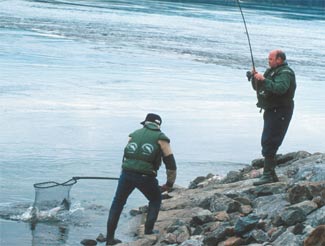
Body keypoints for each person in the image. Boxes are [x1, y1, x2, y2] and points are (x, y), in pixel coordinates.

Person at [106, 113, 177, 245]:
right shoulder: (161, 138)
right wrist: (169, 184)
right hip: (145, 177)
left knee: (118, 203)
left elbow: (126, 157)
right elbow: (171, 164)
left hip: (126, 174)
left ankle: (109, 239)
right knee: (155, 199)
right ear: (158, 125)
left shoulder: (133, 135)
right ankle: (148, 231)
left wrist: (124, 175)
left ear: (145, 123)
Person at [251, 49, 296, 186]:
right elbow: (260, 88)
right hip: (272, 110)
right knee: (268, 139)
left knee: (271, 139)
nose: (268, 61)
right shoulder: (271, 71)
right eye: (268, 59)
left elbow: (280, 88)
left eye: (271, 59)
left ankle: (267, 175)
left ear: (279, 60)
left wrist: (263, 79)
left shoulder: (286, 73)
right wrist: (254, 78)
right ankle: (271, 174)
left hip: (281, 111)